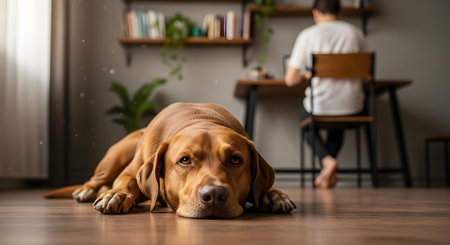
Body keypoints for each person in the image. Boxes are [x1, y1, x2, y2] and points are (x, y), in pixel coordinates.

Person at [284, 0, 366, 188]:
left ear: (316, 13)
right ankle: (327, 170)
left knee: (305, 121)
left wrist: (307, 74)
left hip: (321, 105)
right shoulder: (356, 33)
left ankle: (327, 161)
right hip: (353, 105)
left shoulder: (308, 34)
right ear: (340, 12)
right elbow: (365, 77)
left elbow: (290, 80)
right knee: (339, 120)